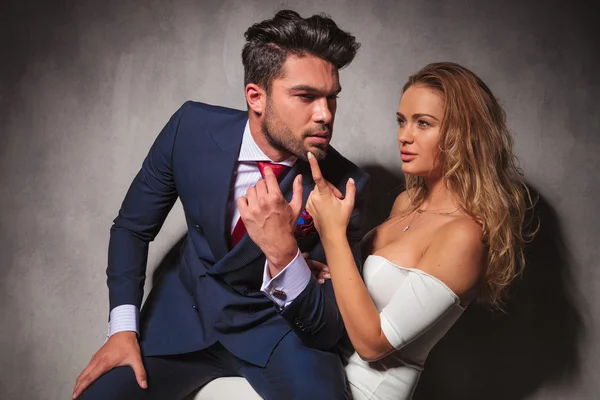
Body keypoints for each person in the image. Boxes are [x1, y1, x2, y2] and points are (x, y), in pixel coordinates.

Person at [73, 10, 369, 400]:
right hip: (182, 320)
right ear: (256, 96)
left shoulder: (345, 185)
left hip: (276, 333)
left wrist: (284, 255)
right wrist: (123, 329)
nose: (325, 115)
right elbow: (132, 227)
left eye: (331, 98)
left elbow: (328, 329)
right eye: (306, 96)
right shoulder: (190, 129)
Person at [305, 62, 534, 399]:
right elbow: (352, 286)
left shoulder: (464, 235)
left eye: (423, 123)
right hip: (321, 369)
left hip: (363, 390)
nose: (404, 135)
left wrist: (333, 234)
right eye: (402, 121)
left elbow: (372, 344)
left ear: (463, 135)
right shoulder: (406, 202)